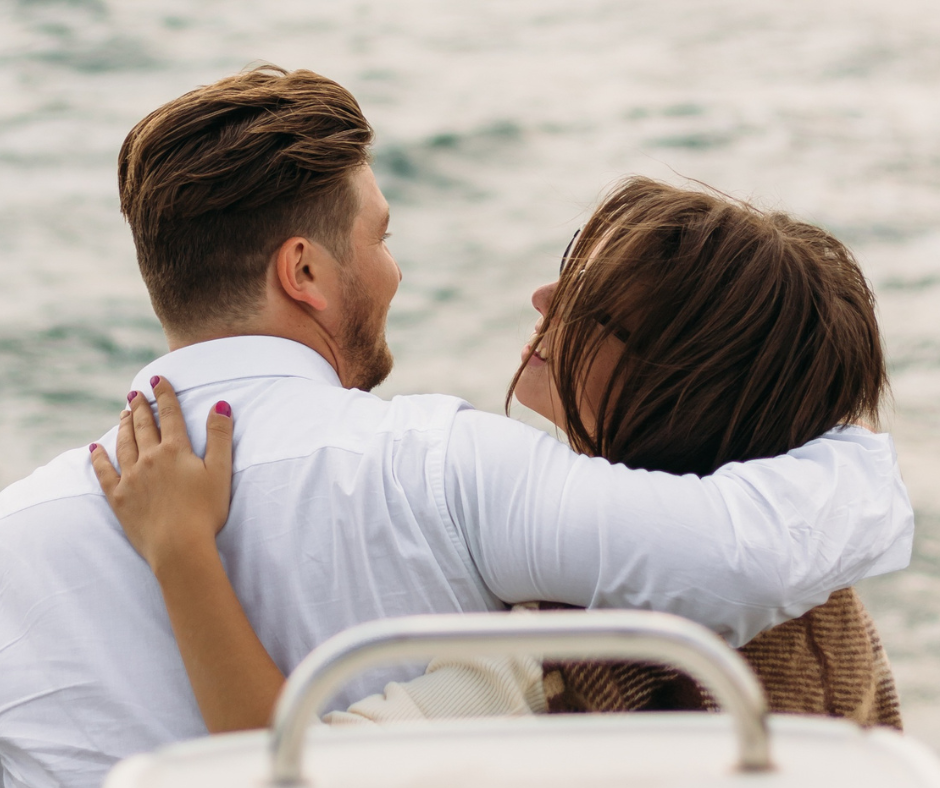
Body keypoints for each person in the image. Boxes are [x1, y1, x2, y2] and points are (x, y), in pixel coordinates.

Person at [0, 66, 912, 788]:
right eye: (381, 236)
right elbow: (741, 549)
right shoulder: (448, 473)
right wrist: (861, 463)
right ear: (305, 272)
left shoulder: (18, 536)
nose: (394, 271)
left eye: (594, 304)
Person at [97, 177, 904, 732]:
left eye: (592, 299)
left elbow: (283, 767)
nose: (546, 298)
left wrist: (182, 550)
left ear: (676, 380)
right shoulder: (828, 607)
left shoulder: (576, 655)